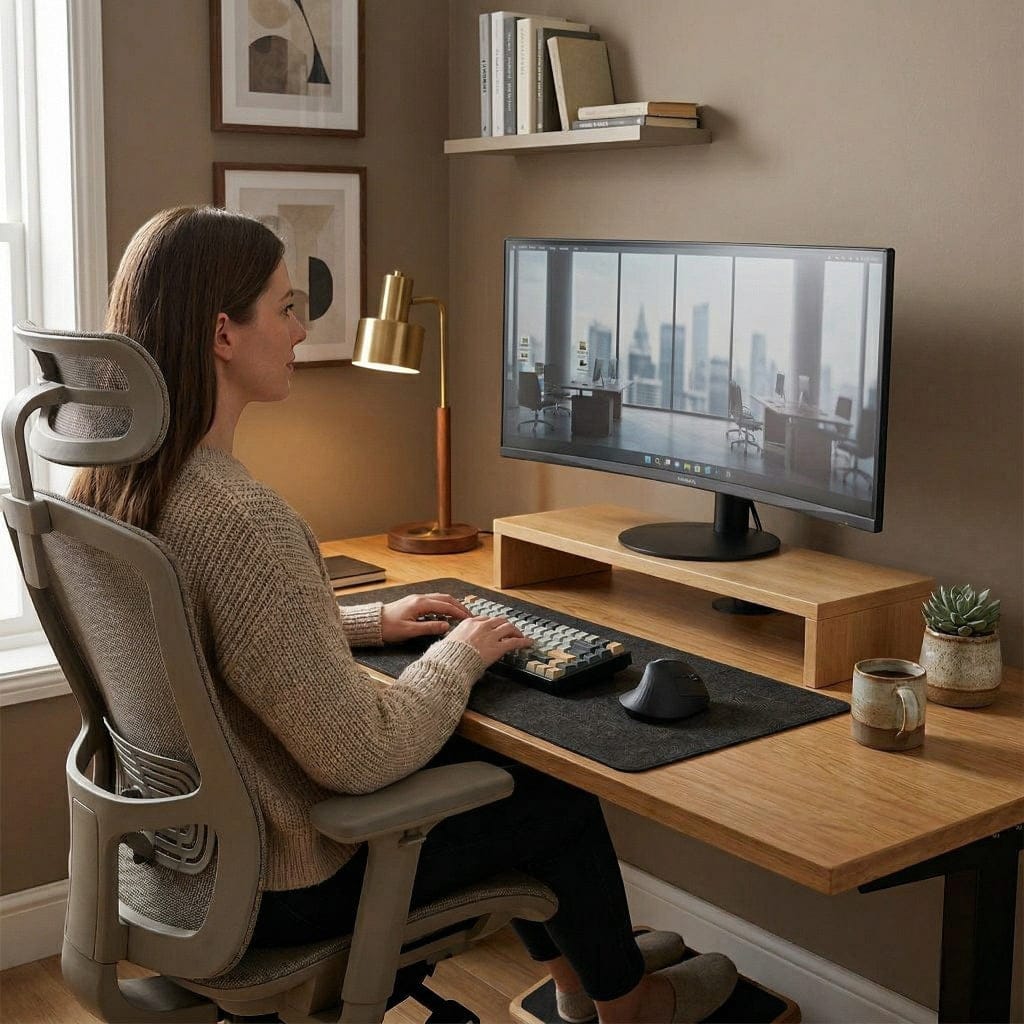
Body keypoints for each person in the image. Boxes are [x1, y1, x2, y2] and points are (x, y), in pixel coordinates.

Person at [69, 206, 737, 1024]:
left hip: (173, 870)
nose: (301, 326)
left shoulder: (110, 489)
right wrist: (461, 650)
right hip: (277, 888)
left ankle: (591, 979)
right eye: (284, 307)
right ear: (223, 334)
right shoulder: (237, 518)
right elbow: (358, 754)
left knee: (502, 766)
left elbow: (191, 639)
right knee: (547, 794)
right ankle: (630, 1002)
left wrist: (365, 626)